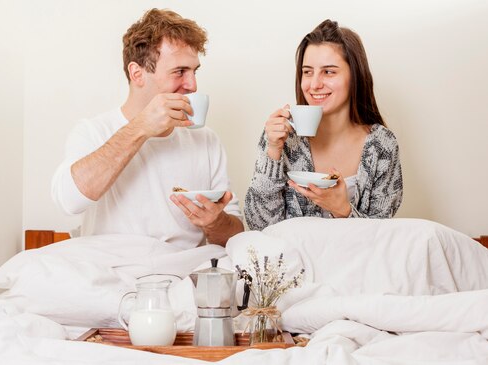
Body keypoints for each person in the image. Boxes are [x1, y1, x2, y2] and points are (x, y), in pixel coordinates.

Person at [51, 8, 244, 248]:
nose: (192, 85)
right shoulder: (93, 131)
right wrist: (141, 128)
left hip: (181, 271)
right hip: (111, 270)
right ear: (137, 73)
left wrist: (215, 223)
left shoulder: (206, 140)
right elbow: (69, 202)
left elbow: (235, 236)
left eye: (194, 71)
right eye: (180, 72)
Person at [245, 19, 403, 231]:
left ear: (354, 76)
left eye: (329, 72)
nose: (314, 84)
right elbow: (260, 226)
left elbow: (383, 236)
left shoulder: (382, 145)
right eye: (307, 72)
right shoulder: (283, 137)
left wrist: (343, 210)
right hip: (294, 261)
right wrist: (272, 152)